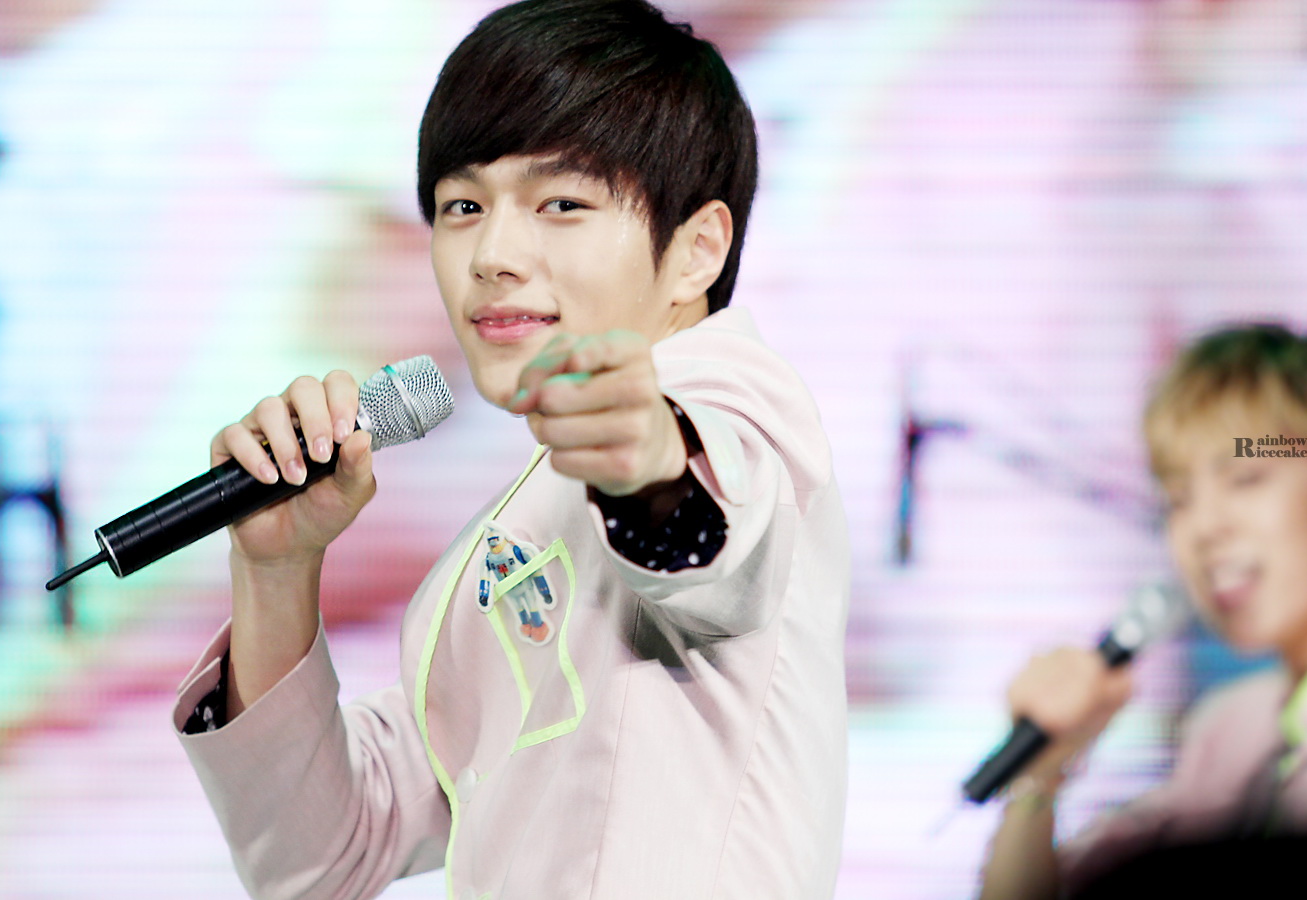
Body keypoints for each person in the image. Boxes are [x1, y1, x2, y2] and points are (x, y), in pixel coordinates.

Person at [171, 2, 851, 898]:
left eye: (561, 203)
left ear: (697, 252)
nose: (491, 254)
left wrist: (649, 466)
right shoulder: (507, 532)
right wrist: (276, 571)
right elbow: (320, 859)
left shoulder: (733, 399)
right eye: (463, 206)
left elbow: (709, 532)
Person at [978, 323, 1307, 899]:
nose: (1203, 527)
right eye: (1177, 499)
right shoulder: (1228, 730)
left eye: (1246, 477)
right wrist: (1041, 779)